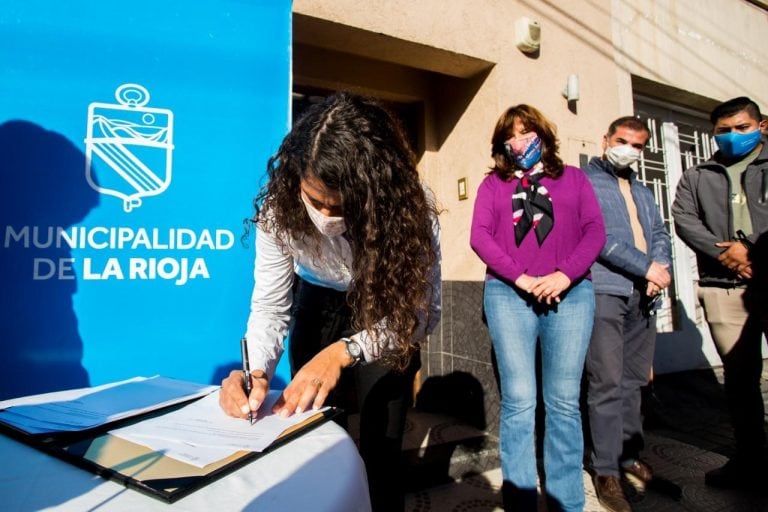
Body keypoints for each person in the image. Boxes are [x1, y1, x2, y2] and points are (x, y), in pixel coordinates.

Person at [218, 92, 442, 511]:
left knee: (381, 443)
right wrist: (257, 370)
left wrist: (345, 352)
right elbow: (270, 305)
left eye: (338, 206)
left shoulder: (411, 213)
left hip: (384, 309)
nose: (323, 215)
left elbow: (420, 314)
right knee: (317, 434)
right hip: (317, 303)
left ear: (372, 191)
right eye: (313, 199)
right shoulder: (277, 209)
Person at [470, 104, 605, 511]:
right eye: (510, 136)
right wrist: (522, 278)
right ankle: (521, 500)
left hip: (571, 294)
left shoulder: (575, 180)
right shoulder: (493, 185)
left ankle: (567, 501)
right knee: (519, 401)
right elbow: (480, 237)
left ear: (543, 135)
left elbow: (594, 231)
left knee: (563, 401)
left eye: (526, 133)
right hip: (510, 295)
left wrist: (565, 275)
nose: (519, 142)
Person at [672, 96, 768, 489]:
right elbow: (684, 218)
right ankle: (750, 461)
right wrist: (728, 256)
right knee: (740, 381)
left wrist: (755, 249)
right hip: (724, 288)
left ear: (762, 126)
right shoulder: (698, 175)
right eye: (723, 131)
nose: (733, 136)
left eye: (742, 128)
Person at [583, 117, 672, 512]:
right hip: (604, 290)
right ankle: (605, 470)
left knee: (634, 381)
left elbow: (660, 233)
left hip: (643, 295)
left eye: (638, 146)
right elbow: (596, 235)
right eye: (622, 142)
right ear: (606, 140)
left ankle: (628, 454)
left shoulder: (643, 190)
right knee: (606, 382)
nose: (629, 150)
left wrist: (662, 267)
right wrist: (645, 267)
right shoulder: (585, 182)